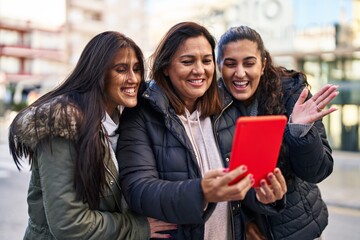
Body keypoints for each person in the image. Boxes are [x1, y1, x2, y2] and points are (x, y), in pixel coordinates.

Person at [116, 21, 287, 240]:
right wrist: (201, 192)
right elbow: (138, 190)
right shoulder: (141, 113)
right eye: (187, 61)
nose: (199, 70)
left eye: (206, 61)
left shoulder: (227, 109)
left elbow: (243, 186)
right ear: (166, 67)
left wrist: (265, 196)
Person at [8, 31, 176, 239]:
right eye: (121, 69)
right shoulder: (64, 124)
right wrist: (137, 228)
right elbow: (69, 223)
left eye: (137, 69)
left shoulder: (123, 121)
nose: (133, 79)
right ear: (97, 73)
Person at [215, 25, 339, 240]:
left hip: (297, 228)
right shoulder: (212, 105)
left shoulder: (291, 93)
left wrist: (299, 132)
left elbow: (318, 171)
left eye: (249, 63)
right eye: (230, 63)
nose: (240, 73)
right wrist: (246, 223)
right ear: (219, 66)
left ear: (263, 64)